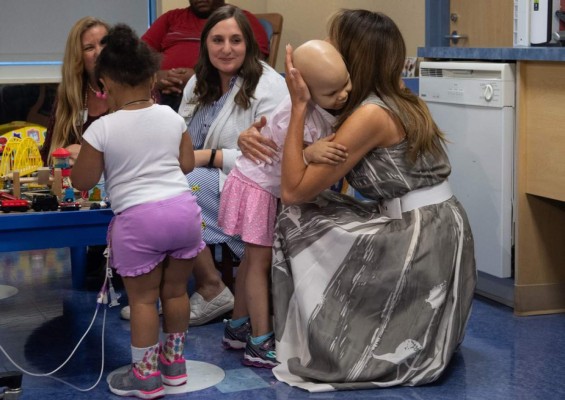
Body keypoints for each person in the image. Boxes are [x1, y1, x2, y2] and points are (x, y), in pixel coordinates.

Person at [270, 9, 477, 391]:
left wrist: (299, 105)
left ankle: (326, 333)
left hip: (421, 237)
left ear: (351, 57)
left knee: (295, 215)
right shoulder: (396, 98)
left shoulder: (369, 115)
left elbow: (294, 190)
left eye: (335, 44)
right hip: (439, 226)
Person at [71, 24, 205, 399]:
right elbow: (187, 164)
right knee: (176, 294)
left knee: (144, 300)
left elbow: (83, 181)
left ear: (105, 84)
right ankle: (175, 368)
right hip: (183, 213)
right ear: (151, 78)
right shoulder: (171, 117)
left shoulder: (102, 128)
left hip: (139, 221)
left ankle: (145, 378)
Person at [217, 39, 350, 369]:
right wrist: (308, 152)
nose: (343, 95)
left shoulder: (320, 108)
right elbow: (287, 157)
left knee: (251, 259)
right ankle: (259, 340)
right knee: (259, 264)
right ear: (305, 89)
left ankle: (236, 328)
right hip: (256, 187)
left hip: (260, 184)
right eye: (332, 93)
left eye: (345, 84)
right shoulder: (294, 113)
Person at [175, 4, 288, 327]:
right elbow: (176, 133)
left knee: (176, 190)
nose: (226, 49)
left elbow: (273, 158)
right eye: (218, 40)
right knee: (147, 183)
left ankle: (211, 287)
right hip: (197, 172)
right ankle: (165, 290)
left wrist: (209, 157)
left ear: (249, 45)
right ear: (205, 45)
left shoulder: (268, 86)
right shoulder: (198, 82)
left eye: (236, 40)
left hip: (249, 185)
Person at [141, 0, 269, 111]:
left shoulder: (240, 19)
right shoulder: (171, 18)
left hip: (212, 94)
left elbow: (255, 62)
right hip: (159, 94)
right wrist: (156, 77)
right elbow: (136, 58)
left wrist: (198, 78)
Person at [40, 16, 110, 166]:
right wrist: (62, 158)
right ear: (78, 57)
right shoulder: (70, 94)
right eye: (89, 48)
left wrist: (88, 155)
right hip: (74, 184)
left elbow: (142, 155)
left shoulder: (134, 92)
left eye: (104, 44)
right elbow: (48, 157)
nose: (99, 52)